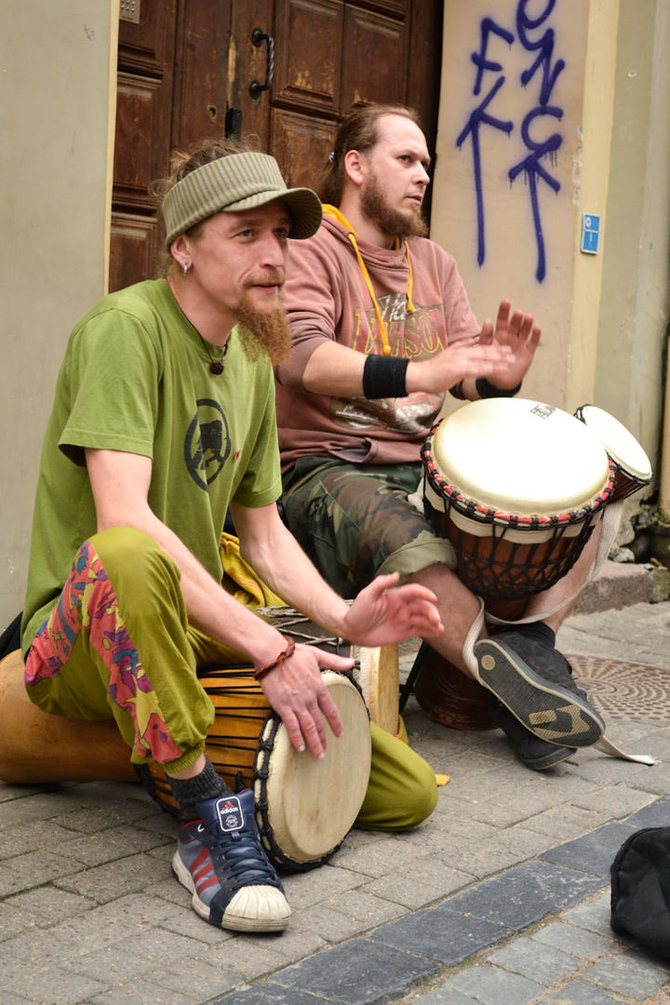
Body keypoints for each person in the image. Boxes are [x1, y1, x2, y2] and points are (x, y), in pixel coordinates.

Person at [20, 138, 446, 936]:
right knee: (127, 551)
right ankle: (206, 819)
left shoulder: (252, 352)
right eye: (244, 234)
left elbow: (265, 536)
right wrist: (271, 649)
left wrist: (346, 618)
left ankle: (196, 758)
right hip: (82, 632)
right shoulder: (123, 329)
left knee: (403, 792)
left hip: (179, 629)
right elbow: (125, 523)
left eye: (281, 235)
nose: (275, 255)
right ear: (183, 247)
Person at [275, 104, 606, 773]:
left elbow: (463, 379)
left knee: (580, 499)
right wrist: (420, 370)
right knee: (409, 538)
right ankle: (519, 689)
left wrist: (499, 378)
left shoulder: (435, 262)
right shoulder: (312, 246)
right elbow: (301, 356)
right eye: (406, 159)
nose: (423, 174)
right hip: (324, 467)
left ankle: (531, 654)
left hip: (418, 467)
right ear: (356, 165)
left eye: (428, 163)